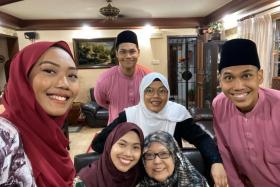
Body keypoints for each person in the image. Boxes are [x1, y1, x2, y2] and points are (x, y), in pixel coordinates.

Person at [92, 72, 228, 187]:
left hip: (170, 177)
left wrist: (216, 162)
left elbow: (202, 139)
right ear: (142, 93)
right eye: (149, 90)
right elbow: (99, 143)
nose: (155, 96)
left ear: (168, 93)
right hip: (137, 178)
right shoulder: (130, 115)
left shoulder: (177, 114)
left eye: (162, 91)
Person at [0, 41, 79, 186]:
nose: (64, 84)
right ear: (23, 78)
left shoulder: (52, 135)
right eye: (49, 71)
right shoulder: (4, 137)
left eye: (72, 75)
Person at [212, 38, 280, 187]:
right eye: (229, 77)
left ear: (259, 76)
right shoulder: (219, 105)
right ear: (220, 81)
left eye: (247, 75)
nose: (238, 86)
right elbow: (226, 154)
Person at [94, 30, 151, 124]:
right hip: (116, 130)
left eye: (132, 51)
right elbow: (101, 102)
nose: (128, 56)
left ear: (138, 52)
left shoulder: (149, 77)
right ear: (116, 53)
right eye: (123, 52)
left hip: (143, 129)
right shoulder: (104, 79)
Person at [77, 122, 144, 187]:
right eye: (122, 144)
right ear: (110, 145)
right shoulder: (85, 180)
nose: (128, 153)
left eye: (135, 147)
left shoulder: (140, 176)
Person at [139, 130, 209, 187]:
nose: (157, 161)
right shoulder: (136, 184)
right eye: (149, 155)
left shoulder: (197, 184)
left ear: (175, 157)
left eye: (164, 154)